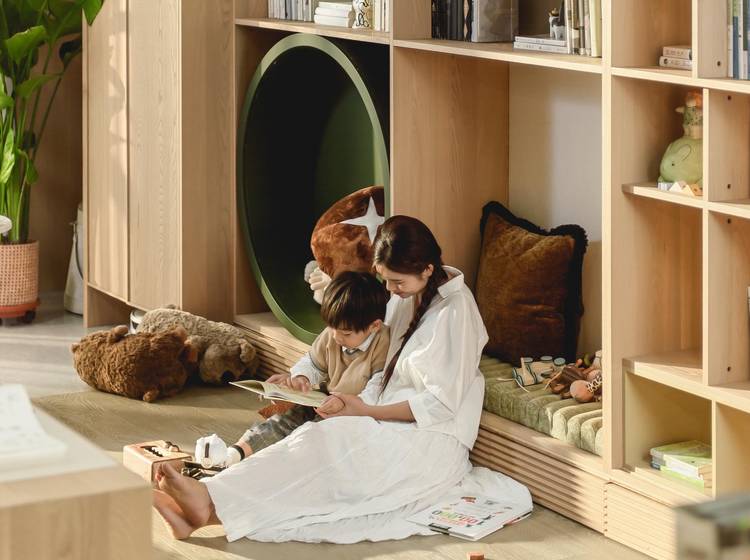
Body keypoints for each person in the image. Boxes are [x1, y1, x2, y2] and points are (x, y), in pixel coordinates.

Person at [153, 215, 529, 543]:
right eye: (385, 280)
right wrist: (330, 393)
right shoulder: (406, 293)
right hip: (382, 414)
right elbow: (369, 365)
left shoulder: (455, 314)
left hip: (430, 439)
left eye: (396, 282)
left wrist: (365, 410)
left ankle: (207, 505)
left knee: (330, 450)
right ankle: (205, 504)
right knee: (315, 441)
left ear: (428, 269)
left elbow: (439, 405)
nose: (390, 291)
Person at [200, 270, 390, 466]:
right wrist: (301, 378)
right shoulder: (333, 334)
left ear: (374, 326)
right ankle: (233, 455)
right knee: (283, 419)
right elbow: (313, 362)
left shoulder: (383, 345)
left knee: (312, 434)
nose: (336, 337)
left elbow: (376, 391)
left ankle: (278, 464)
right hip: (323, 398)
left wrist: (345, 404)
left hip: (351, 413)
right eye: (332, 328)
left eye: (346, 333)